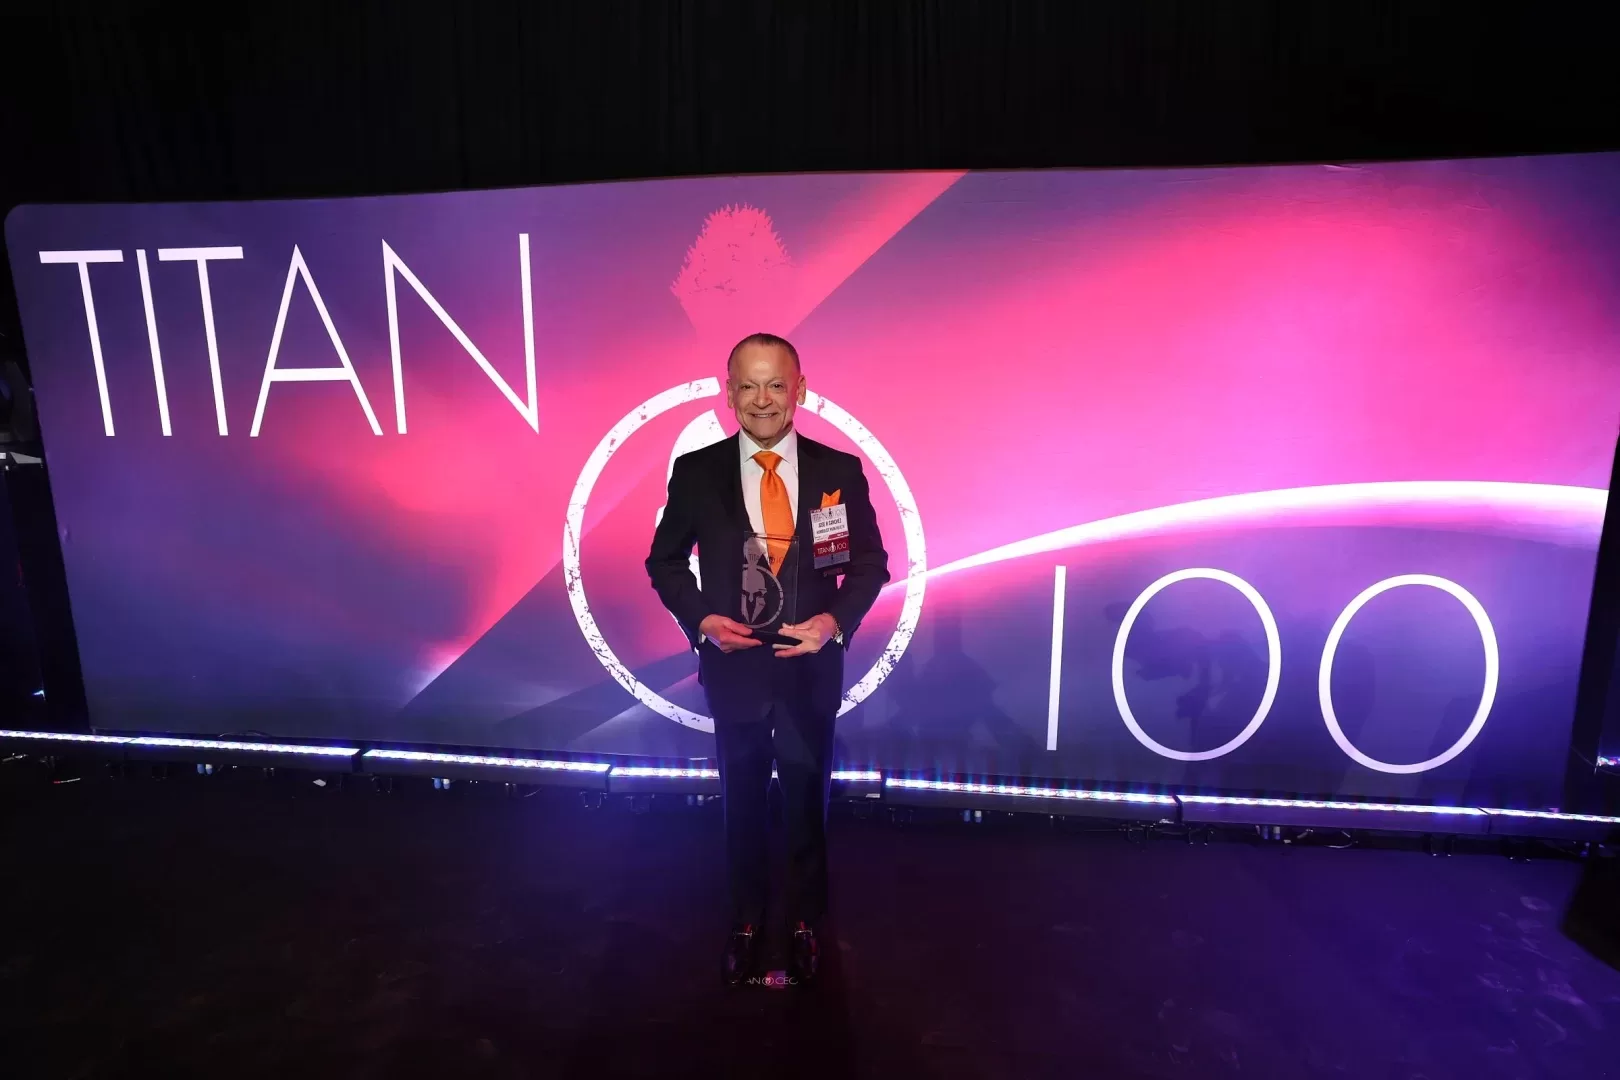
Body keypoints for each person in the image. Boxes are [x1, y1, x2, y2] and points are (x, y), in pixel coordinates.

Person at [646, 332, 889, 987]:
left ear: (799, 390)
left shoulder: (839, 471)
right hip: (736, 671)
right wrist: (702, 621)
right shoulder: (697, 472)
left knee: (808, 803)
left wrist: (834, 622)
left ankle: (807, 920)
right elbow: (664, 562)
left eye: (775, 384)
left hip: (810, 671)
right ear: (729, 394)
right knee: (742, 805)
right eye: (748, 386)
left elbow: (870, 564)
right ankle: (746, 920)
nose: (762, 399)